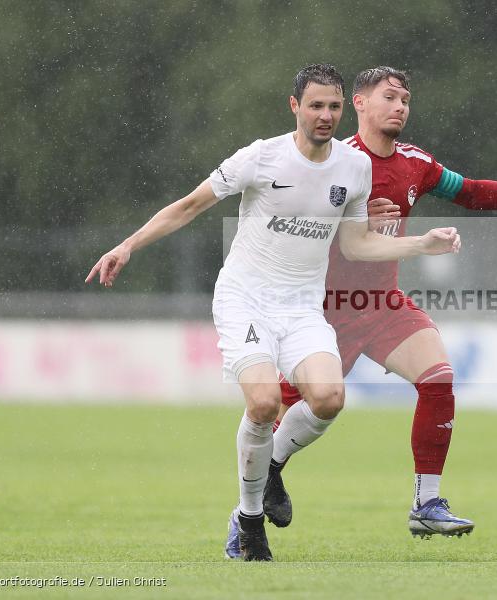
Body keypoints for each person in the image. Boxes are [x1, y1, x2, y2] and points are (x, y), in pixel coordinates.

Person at [85, 64, 461, 561]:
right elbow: (189, 205)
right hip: (246, 299)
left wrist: (421, 244)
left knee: (328, 399)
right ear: (295, 107)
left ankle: (269, 480)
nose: (324, 115)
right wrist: (128, 245)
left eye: (332, 106)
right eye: (315, 106)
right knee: (263, 404)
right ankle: (248, 520)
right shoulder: (261, 158)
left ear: (341, 108)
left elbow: (355, 244)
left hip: (304, 306)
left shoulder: (354, 168)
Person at [267, 66, 497, 539]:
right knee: (277, 419)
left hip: (381, 304)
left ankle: (426, 503)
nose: (400, 105)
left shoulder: (416, 163)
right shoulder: (332, 161)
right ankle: (254, 499)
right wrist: (346, 223)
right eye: (390, 96)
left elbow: (475, 193)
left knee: (439, 378)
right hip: (323, 311)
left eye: (406, 99)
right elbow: (290, 232)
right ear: (359, 103)